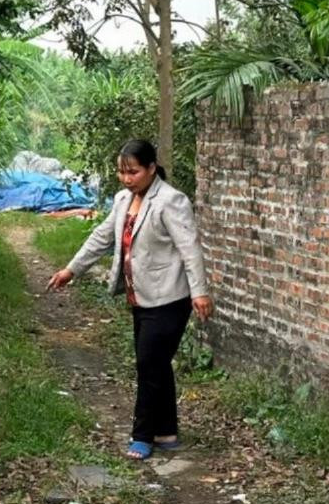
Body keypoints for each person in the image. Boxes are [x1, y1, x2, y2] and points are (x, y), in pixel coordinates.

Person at [48, 138, 212, 461]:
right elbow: (101, 237)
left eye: (133, 172)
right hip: (140, 297)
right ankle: (166, 432)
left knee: (148, 364)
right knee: (156, 363)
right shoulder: (123, 200)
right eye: (122, 172)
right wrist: (72, 269)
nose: (126, 178)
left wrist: (200, 292)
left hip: (170, 298)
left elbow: (190, 249)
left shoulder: (170, 201)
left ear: (151, 168)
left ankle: (142, 435)